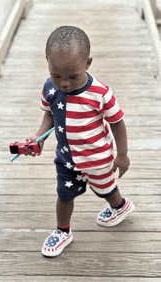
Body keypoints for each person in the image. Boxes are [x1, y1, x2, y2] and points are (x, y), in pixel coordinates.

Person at [26, 26, 135, 257]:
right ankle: (63, 231)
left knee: (105, 189)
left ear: (88, 63)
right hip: (66, 157)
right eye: (57, 76)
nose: (64, 83)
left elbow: (117, 122)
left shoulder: (100, 93)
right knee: (64, 196)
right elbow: (49, 114)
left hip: (97, 158)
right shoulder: (50, 88)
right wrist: (39, 137)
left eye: (72, 77)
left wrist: (122, 154)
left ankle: (120, 206)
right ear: (48, 63)